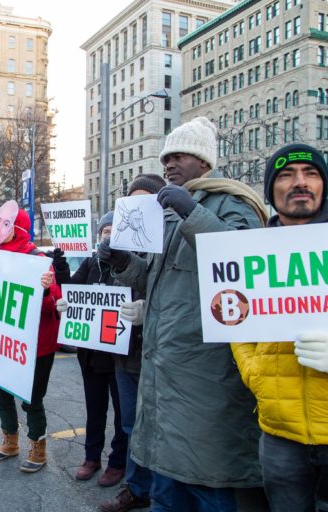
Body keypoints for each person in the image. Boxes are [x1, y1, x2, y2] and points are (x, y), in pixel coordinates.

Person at [98, 117, 269, 510]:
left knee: (207, 484)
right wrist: (123, 261)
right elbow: (154, 279)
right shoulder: (172, 210)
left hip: (207, 376)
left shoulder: (234, 204)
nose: (169, 164)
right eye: (166, 158)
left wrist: (192, 213)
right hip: (164, 372)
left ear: (204, 161)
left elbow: (246, 262)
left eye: (179, 156)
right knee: (166, 487)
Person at [230, 143, 328, 512]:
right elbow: (234, 324)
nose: (299, 183)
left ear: (324, 184)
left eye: (311, 173)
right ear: (271, 189)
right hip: (281, 438)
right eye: (286, 175)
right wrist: (255, 371)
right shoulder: (246, 255)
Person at [91, 174, 166, 512]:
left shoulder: (168, 242)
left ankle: (160, 491)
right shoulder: (117, 250)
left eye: (145, 200)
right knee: (130, 424)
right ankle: (137, 487)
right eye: (131, 201)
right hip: (125, 356)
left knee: (160, 429)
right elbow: (91, 292)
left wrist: (148, 310)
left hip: (158, 355)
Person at [52, 211, 130, 489]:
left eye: (113, 231)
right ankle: (91, 457)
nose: (107, 236)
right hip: (92, 354)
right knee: (94, 409)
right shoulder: (91, 262)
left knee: (123, 415)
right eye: (103, 232)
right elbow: (72, 291)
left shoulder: (130, 264)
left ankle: (118, 463)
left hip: (121, 355)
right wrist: (61, 269)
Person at [0, 201, 61, 473]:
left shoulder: (37, 260)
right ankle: (10, 441)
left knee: (32, 399)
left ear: (17, 229)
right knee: (1, 393)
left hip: (37, 345)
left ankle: (37, 448)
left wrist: (45, 290)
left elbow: (54, 306)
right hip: (2, 341)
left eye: (4, 223)